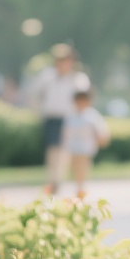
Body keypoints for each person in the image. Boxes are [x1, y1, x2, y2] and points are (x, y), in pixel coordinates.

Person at [31, 44, 90, 195]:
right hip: (51, 117)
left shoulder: (78, 79)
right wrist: (38, 111)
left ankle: (64, 181)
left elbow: (84, 99)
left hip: (70, 119)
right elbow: (35, 94)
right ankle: (53, 180)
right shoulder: (47, 76)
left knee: (66, 150)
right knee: (53, 150)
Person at [62, 88, 110, 199]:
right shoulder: (70, 115)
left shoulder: (92, 115)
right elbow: (65, 133)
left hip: (86, 148)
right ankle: (78, 188)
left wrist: (101, 140)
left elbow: (101, 131)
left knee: (82, 169)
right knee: (74, 170)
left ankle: (81, 189)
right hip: (72, 148)